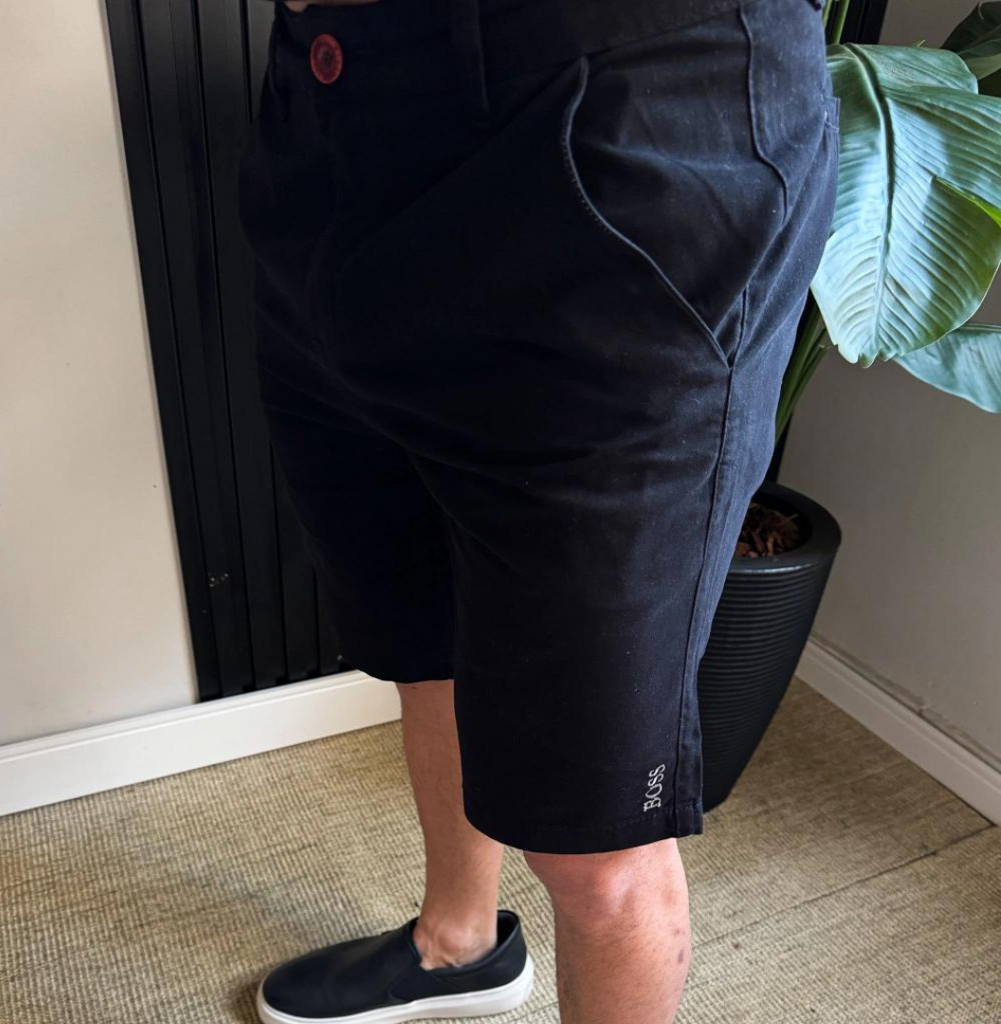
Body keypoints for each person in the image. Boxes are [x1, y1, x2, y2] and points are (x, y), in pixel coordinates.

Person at [235, 0, 839, 1020]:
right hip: (335, 102)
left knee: (596, 841)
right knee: (418, 621)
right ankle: (458, 945)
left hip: (610, 105)